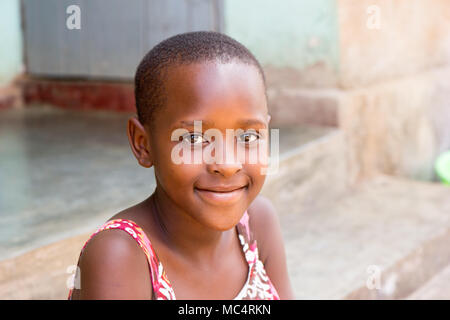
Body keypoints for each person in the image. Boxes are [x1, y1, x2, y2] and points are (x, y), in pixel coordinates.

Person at [69, 31, 294, 300]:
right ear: (143, 143)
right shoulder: (120, 255)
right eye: (195, 138)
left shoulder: (256, 224)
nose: (227, 164)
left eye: (249, 137)